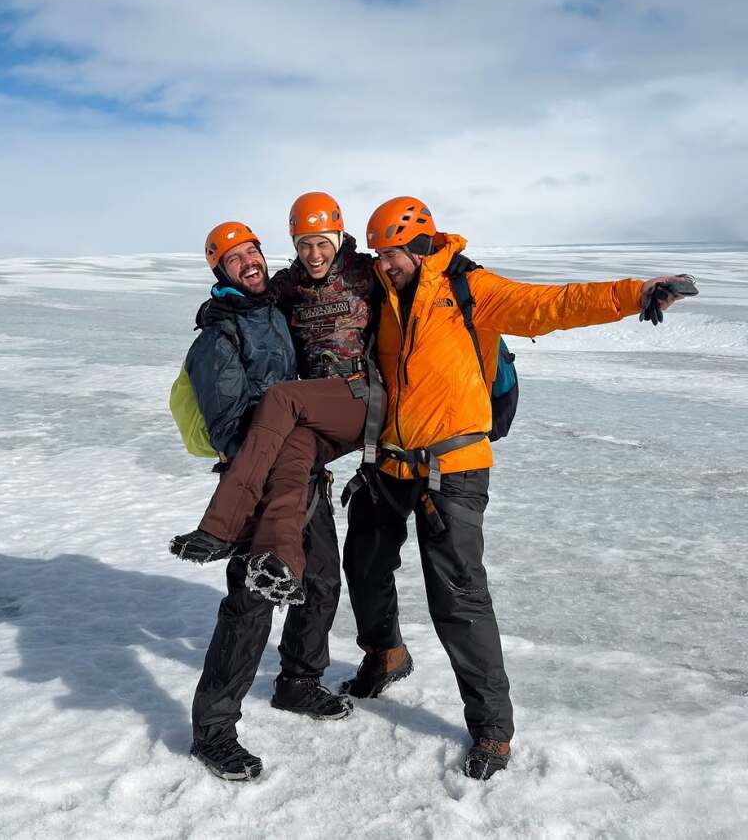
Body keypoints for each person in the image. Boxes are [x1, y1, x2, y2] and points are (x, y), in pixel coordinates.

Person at [340, 196, 697, 782]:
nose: (384, 263)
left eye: (392, 252)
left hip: (452, 469)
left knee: (458, 600)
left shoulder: (470, 288)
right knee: (365, 563)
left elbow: (552, 304)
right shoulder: (386, 296)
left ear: (422, 243)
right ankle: (386, 654)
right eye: (378, 254)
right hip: (390, 463)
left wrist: (638, 293)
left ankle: (492, 729)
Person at [181, 219, 351, 784]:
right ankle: (213, 731)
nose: (249, 262)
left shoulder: (276, 312)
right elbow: (229, 425)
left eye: (252, 251)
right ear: (220, 272)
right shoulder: (217, 338)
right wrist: (279, 460)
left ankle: (299, 682)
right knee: (252, 601)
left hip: (304, 474)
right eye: (235, 258)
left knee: (322, 580)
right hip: (257, 481)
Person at [171, 192, 384, 600]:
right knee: (293, 459)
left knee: (283, 398)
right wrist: (215, 310)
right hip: (317, 409)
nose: (314, 254)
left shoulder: (366, 273)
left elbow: (412, 277)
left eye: (322, 242)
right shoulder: (290, 285)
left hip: (361, 397)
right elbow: (256, 301)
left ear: (338, 238)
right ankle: (278, 561)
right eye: (304, 244)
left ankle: (221, 523)